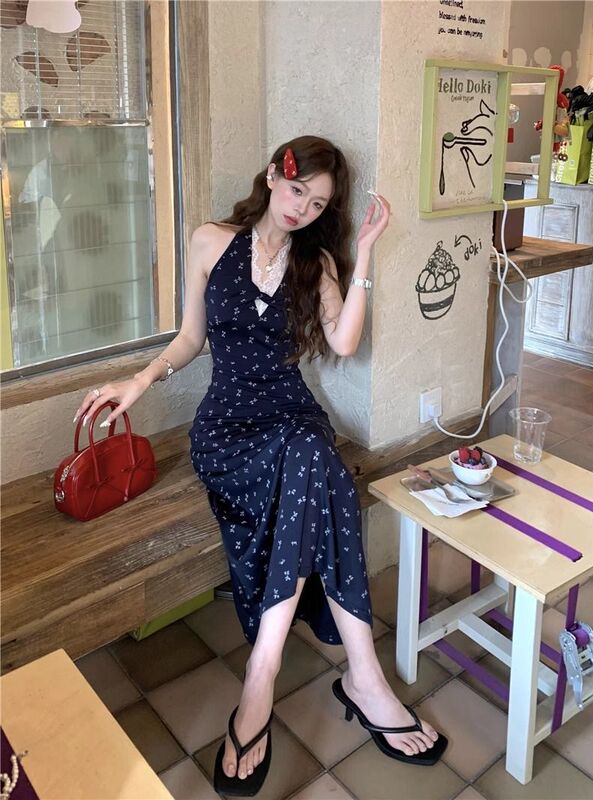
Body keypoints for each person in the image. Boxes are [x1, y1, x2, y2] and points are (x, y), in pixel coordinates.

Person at [74, 135, 447, 796]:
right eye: (298, 189)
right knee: (323, 471)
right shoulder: (210, 241)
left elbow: (344, 342)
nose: (303, 207)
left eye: (319, 202)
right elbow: (191, 338)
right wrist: (140, 380)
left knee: (312, 456)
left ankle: (263, 677)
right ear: (274, 175)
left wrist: (364, 254)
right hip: (226, 430)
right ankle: (363, 680)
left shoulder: (316, 263)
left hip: (291, 415)